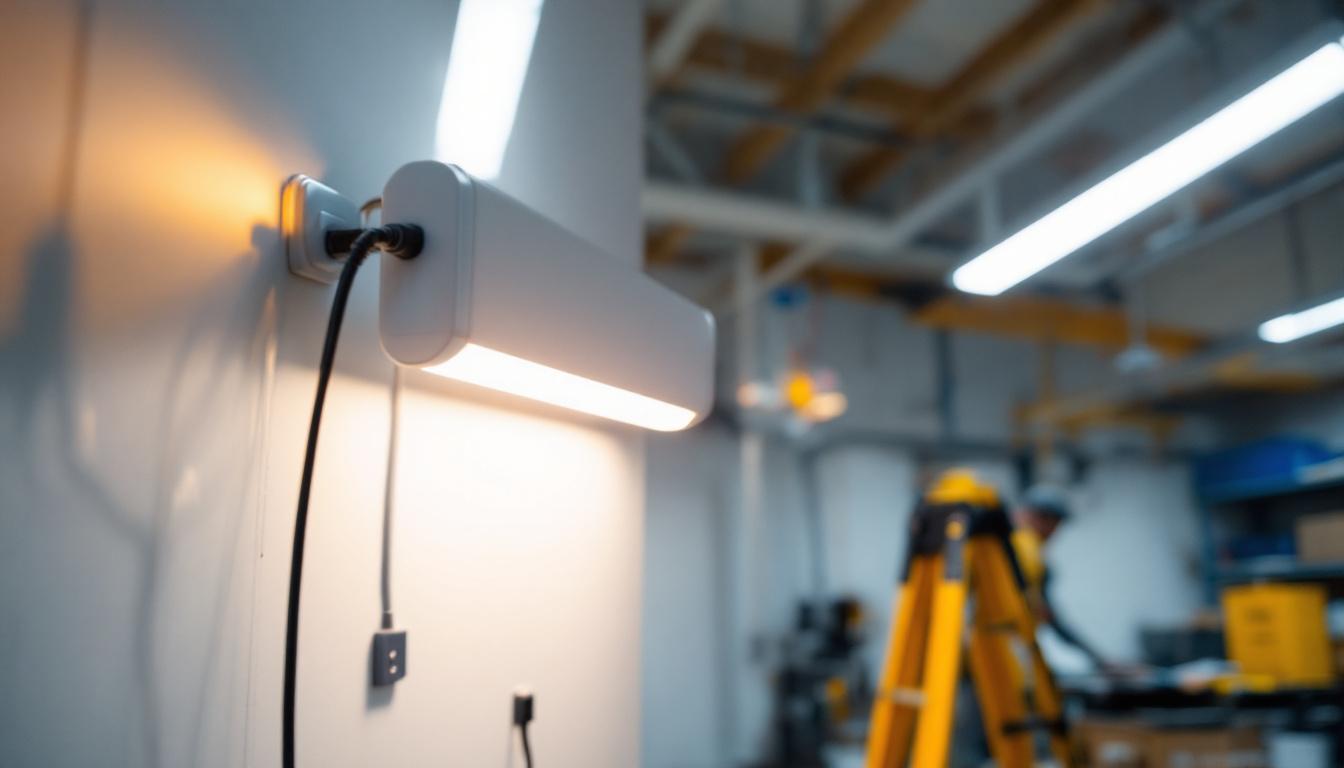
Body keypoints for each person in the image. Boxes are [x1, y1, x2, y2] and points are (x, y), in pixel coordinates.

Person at [1010, 484, 1109, 669]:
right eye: (1054, 524)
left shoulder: (1015, 548)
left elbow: (1046, 613)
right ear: (1038, 518)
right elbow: (1048, 615)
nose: (1055, 533)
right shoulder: (1027, 548)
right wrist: (1099, 660)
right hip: (1007, 649)